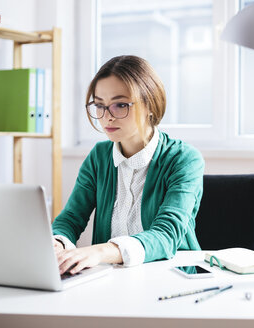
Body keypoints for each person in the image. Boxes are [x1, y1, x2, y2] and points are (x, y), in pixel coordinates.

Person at [51, 55, 204, 275]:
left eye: (120, 105)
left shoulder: (184, 159)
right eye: (100, 106)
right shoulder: (98, 157)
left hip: (173, 278)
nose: (107, 118)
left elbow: (166, 235)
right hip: (113, 279)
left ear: (150, 104)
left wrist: (100, 252)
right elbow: (70, 219)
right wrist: (59, 242)